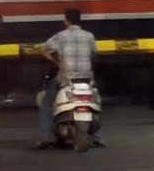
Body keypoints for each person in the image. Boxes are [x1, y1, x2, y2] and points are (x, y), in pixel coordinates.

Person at [34, 8, 103, 150]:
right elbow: (94, 55)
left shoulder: (61, 36)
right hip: (86, 78)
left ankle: (46, 138)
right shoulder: (89, 36)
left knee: (47, 104)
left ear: (66, 21)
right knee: (95, 101)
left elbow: (44, 49)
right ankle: (97, 137)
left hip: (66, 77)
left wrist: (57, 63)